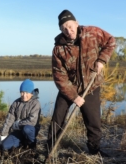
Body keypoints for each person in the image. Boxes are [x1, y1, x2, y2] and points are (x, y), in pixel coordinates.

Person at [47, 9, 115, 156]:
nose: (68, 30)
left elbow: (111, 41)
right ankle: (49, 151)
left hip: (91, 85)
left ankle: (94, 152)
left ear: (76, 23)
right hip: (69, 88)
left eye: (70, 26)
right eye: (64, 28)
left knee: (93, 122)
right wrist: (74, 96)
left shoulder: (92, 32)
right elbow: (60, 76)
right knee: (57, 119)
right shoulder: (58, 49)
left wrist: (102, 60)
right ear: (60, 29)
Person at [0, 79, 41, 153]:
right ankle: (22, 142)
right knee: (4, 146)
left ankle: (32, 144)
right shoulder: (16, 103)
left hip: (31, 130)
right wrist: (3, 135)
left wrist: (18, 124)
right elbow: (9, 119)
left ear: (31, 93)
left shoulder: (36, 103)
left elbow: (32, 121)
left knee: (27, 129)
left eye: (26, 92)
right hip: (19, 131)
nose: (24, 95)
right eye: (22, 92)